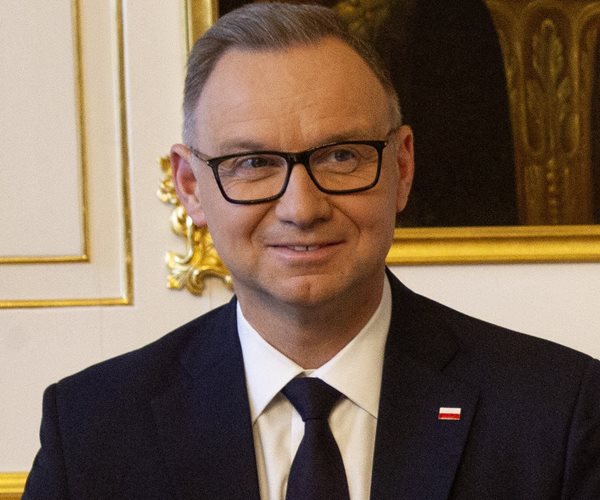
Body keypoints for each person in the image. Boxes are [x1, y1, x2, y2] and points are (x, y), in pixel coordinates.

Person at [24, 3, 599, 499]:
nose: (302, 208)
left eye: (341, 156)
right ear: (191, 187)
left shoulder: (557, 413)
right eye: (253, 163)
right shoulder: (92, 429)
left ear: (401, 168)